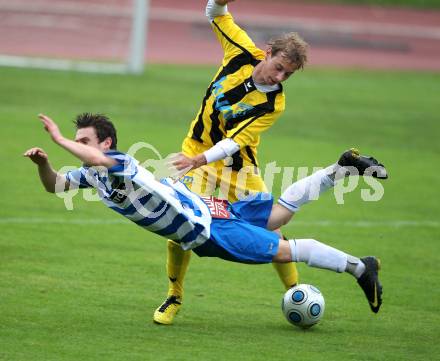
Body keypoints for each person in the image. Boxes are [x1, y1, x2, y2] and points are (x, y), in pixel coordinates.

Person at [24, 113, 386, 317]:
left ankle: (359, 267)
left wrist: (58, 139)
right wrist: (45, 163)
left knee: (281, 247)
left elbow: (97, 160)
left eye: (83, 141)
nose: (79, 146)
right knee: (278, 215)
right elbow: (54, 185)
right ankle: (342, 168)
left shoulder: (119, 162)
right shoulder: (91, 176)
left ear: (105, 143)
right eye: (76, 140)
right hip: (204, 208)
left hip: (204, 228)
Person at [156, 0, 310, 324]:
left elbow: (233, 142)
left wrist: (197, 160)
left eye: (288, 74)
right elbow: (215, 13)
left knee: (273, 229)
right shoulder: (240, 49)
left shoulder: (273, 103)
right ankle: (174, 295)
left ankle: (298, 292)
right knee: (181, 226)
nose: (279, 76)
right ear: (268, 52)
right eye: (278, 66)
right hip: (195, 149)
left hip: (238, 167)